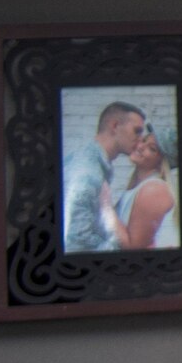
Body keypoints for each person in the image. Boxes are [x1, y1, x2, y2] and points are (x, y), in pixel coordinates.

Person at [61, 101, 143, 253]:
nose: (140, 141)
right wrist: (120, 243)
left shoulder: (91, 163)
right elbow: (76, 246)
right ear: (114, 126)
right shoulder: (88, 173)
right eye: (137, 131)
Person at [103, 124, 179, 250]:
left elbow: (135, 250)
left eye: (152, 148)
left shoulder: (154, 189)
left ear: (161, 164)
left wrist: (105, 205)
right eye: (143, 140)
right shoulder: (139, 187)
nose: (140, 147)